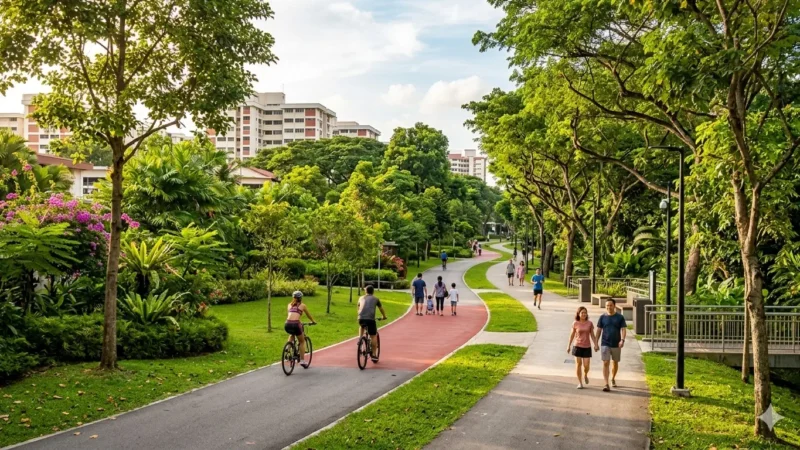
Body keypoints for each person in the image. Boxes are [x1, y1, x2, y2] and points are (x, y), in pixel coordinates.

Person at [596, 299, 627, 392]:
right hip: (605, 343)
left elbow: (623, 329)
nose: (609, 307)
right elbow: (598, 330)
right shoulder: (602, 317)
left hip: (616, 344)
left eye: (610, 305)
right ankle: (606, 384)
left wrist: (622, 340)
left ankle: (613, 378)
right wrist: (596, 343)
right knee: (605, 362)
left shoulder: (620, 317)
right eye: (607, 306)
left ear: (614, 306)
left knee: (615, 362)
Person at [567, 306, 600, 389]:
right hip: (577, 346)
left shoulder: (589, 323)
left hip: (587, 347)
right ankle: (580, 382)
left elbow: (592, 335)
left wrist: (596, 344)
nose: (584, 314)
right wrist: (568, 345)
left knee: (586, 365)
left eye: (585, 313)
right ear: (578, 314)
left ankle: (585, 374)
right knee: (578, 364)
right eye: (582, 313)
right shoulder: (575, 323)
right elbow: (571, 335)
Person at [284, 291, 316, 368]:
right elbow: (309, 315)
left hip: (287, 324)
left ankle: (287, 348)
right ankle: (302, 361)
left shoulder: (289, 305)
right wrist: (313, 321)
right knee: (302, 341)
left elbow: (292, 316)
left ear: (293, 297)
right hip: (296, 324)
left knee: (292, 334)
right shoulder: (303, 306)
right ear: (301, 298)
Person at [358, 285, 387, 360]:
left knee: (362, 326)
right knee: (373, 336)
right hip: (370, 319)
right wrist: (384, 316)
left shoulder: (361, 298)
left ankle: (360, 339)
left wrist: (359, 316)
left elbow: (358, 307)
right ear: (373, 291)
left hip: (360, 318)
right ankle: (374, 355)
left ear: (365, 291)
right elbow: (381, 308)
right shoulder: (376, 299)